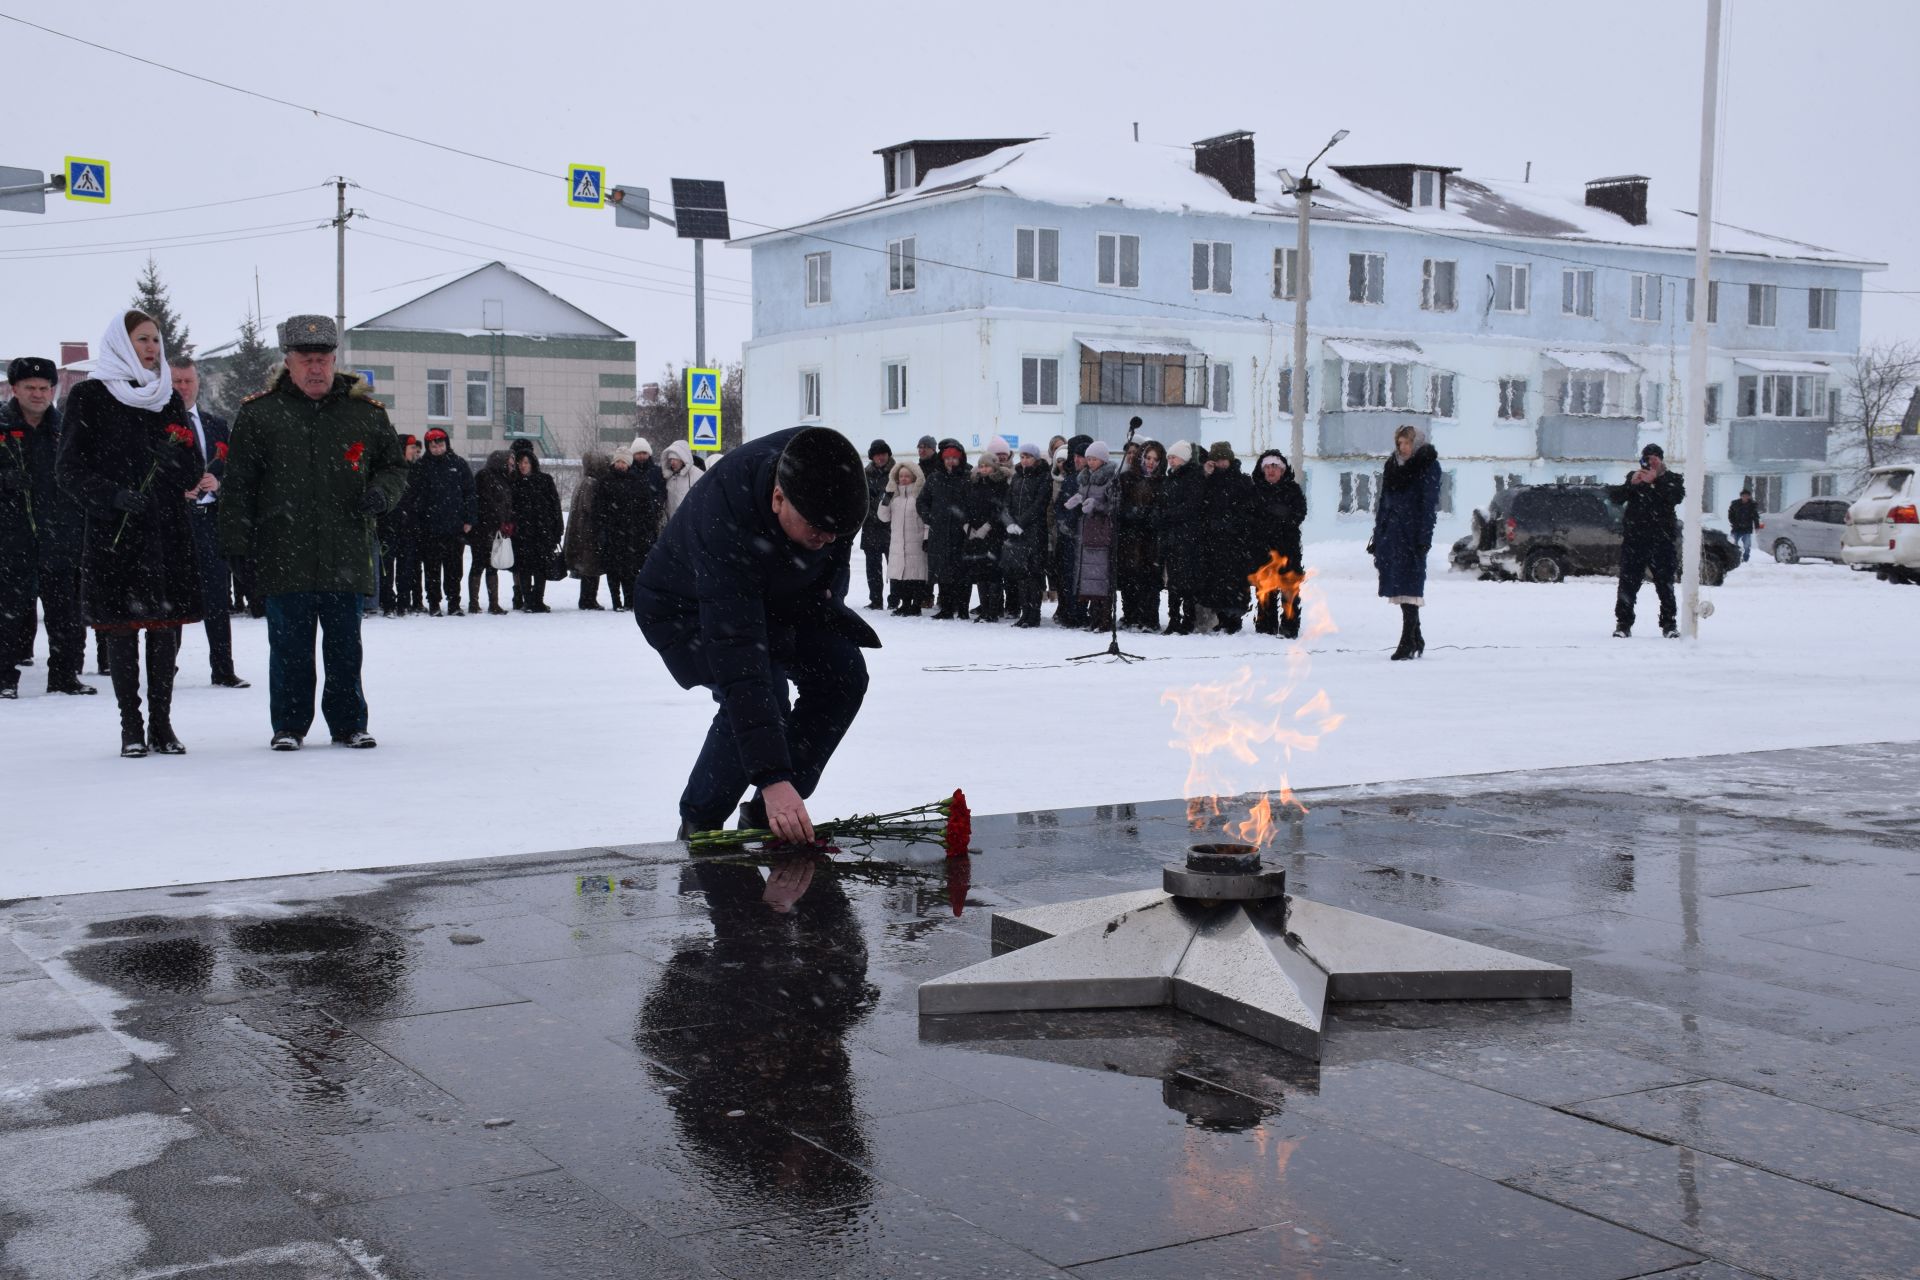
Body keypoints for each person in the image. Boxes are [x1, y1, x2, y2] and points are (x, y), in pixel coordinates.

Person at [634, 425, 877, 843]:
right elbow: (740, 663)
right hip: (682, 606)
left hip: (775, 596)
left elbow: (827, 573)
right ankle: (700, 825)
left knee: (844, 674)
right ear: (779, 498)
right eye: (817, 531)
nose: (827, 542)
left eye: (836, 535)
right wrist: (772, 776)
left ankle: (769, 816)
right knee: (760, 691)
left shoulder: (828, 479)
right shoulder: (726, 513)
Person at [220, 314, 408, 750]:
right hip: (283, 550)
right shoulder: (260, 414)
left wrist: (382, 493)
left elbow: (393, 466)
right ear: (288, 361)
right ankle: (288, 725)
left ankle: (348, 724)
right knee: (289, 649)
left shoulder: (364, 413)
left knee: (345, 649)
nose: (316, 368)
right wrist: (235, 547)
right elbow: (239, 485)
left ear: (335, 359)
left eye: (322, 358)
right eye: (306, 359)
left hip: (345, 549)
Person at [58, 311, 203, 755]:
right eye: (142, 340)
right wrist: (112, 495)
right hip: (115, 534)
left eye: (156, 341)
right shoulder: (89, 396)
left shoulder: (167, 397)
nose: (152, 349)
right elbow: (68, 469)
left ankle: (162, 723)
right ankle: (131, 727)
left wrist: (173, 459)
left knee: (164, 633)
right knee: (122, 631)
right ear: (121, 343)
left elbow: (193, 469)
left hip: (166, 533)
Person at [1, 356, 93, 700]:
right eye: (30, 388)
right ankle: (4, 677)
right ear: (15, 389)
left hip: (61, 536)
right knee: (8, 613)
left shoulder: (66, 427)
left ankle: (64, 675)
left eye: (44, 388)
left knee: (64, 614)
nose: (38, 394)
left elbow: (81, 474)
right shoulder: (3, 426)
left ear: (53, 390)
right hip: (12, 538)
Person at [167, 357, 248, 687]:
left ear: (198, 383)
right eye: (176, 382)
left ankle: (223, 668)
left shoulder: (216, 424)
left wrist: (220, 484)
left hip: (209, 522)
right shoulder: (155, 425)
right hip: (174, 525)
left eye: (188, 381)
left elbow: (236, 471)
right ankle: (164, 667)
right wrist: (177, 490)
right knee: (171, 600)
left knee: (217, 598)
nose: (183, 388)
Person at [1370, 424, 1443, 660]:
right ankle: (1416, 637)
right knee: (1399, 585)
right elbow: (1384, 501)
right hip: (1392, 534)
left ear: (1417, 444)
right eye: (1399, 443)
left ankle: (1407, 641)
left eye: (1407, 443)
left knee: (1410, 586)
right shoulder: (1392, 466)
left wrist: (1424, 538)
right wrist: (1378, 532)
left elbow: (1428, 505)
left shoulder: (1427, 466)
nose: (1402, 447)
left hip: (1411, 534)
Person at [1608, 442, 1686, 639]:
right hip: (1635, 540)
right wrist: (1631, 484)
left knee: (1665, 583)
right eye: (1647, 458)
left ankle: (1669, 624)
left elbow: (1676, 497)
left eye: (1655, 458)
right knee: (1628, 582)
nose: (1651, 462)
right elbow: (1615, 498)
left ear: (1660, 460)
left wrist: (1655, 482)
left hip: (1662, 540)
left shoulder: (1672, 479)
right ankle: (1623, 624)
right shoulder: (1635, 477)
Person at [410, 426, 475, 614]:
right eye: (433, 446)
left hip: (455, 528)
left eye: (440, 445)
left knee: (454, 568)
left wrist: (469, 519)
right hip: (430, 529)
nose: (437, 449)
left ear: (446, 444)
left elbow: (470, 494)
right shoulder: (421, 467)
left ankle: (454, 602)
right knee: (432, 568)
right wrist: (419, 520)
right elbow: (415, 497)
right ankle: (434, 603)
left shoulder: (459, 464)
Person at [1196, 442, 1255, 633]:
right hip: (1212, 542)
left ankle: (1233, 620)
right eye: (1217, 460)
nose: (1221, 464)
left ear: (1229, 459)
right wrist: (1205, 474)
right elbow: (1199, 505)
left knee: (1234, 583)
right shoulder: (1208, 481)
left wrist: (1232, 525)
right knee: (1215, 583)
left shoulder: (1242, 482)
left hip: (1235, 544)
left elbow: (1248, 511)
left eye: (1223, 459)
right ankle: (1221, 618)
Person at [1250, 449, 1308, 639]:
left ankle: (1289, 626)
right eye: (1267, 467)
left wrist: (1280, 514)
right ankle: (1265, 625)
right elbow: (1250, 516)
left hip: (1287, 548)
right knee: (1265, 590)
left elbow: (1299, 514)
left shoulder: (1292, 490)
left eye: (1274, 466)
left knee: (1289, 590)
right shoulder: (1256, 490)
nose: (1270, 471)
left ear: (1282, 470)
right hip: (1263, 548)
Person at [595, 447, 657, 611]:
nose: (621, 465)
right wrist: (603, 528)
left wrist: (646, 529)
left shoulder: (637, 482)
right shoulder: (605, 481)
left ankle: (630, 600)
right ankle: (616, 601)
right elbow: (599, 508)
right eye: (618, 461)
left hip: (632, 534)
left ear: (629, 464)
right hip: (612, 533)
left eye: (624, 462)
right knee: (613, 570)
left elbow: (646, 509)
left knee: (630, 570)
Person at [1069, 439, 1119, 632]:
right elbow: (1085, 496)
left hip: (1101, 532)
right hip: (1086, 531)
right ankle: (1094, 618)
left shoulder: (1110, 478)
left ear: (1103, 460)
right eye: (1088, 459)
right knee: (1088, 578)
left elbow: (1114, 504)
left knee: (1100, 577)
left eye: (1094, 459)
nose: (1090, 462)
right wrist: (1078, 500)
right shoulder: (1085, 477)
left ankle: (1104, 618)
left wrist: (1097, 507)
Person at [918, 439, 971, 619]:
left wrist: (968, 521)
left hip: (961, 532)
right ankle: (947, 608)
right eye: (947, 458)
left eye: (954, 458)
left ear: (960, 459)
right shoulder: (935, 477)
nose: (950, 461)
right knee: (943, 572)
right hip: (939, 532)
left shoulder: (967, 477)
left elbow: (975, 503)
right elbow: (922, 501)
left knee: (962, 572)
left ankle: (963, 609)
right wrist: (929, 517)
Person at [1115, 439, 1165, 632]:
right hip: (1130, 537)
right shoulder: (1127, 478)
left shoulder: (1161, 482)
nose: (1151, 462)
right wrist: (1131, 513)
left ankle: (1149, 618)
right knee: (1129, 579)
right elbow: (1119, 505)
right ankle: (1130, 615)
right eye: (1148, 458)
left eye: (1155, 459)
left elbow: (1162, 508)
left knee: (1150, 581)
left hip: (1151, 540)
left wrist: (1153, 516)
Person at [1003, 440, 1052, 628]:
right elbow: (1007, 503)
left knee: (1034, 573)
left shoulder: (1043, 477)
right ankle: (1024, 613)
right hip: (1017, 533)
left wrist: (1021, 523)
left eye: (1028, 457)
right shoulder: (1016, 477)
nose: (1024, 460)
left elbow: (1039, 505)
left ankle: (1034, 614)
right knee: (1021, 574)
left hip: (1035, 531)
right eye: (1022, 456)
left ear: (1036, 459)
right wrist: (1009, 523)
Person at [1156, 441, 1203, 635]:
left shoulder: (1193, 477)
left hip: (1187, 537)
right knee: (1173, 582)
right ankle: (1174, 618)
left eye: (1173, 457)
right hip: (1171, 537)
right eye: (1168, 458)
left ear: (1183, 458)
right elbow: (1162, 502)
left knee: (1187, 582)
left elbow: (1191, 506)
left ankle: (1188, 619)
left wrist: (1169, 515)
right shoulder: (1169, 478)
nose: (1170, 461)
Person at [378, 435, 423, 616]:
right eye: (411, 447)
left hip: (410, 526)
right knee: (387, 567)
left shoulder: (416, 470)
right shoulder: (389, 470)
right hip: (388, 525)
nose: (414, 451)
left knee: (407, 567)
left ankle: (404, 602)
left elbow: (421, 496)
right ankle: (388, 602)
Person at [963, 450, 1010, 622]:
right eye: (981, 466)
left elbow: (1001, 508)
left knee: (993, 573)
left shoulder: (1001, 485)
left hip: (994, 534)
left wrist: (988, 525)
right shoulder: (975, 484)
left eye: (987, 467)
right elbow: (967, 505)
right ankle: (984, 607)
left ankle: (994, 609)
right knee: (980, 572)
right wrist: (967, 525)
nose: (983, 470)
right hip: (976, 534)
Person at [878, 458, 928, 615]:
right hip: (899, 544)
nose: (903, 479)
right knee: (903, 576)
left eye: (907, 476)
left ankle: (916, 605)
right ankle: (905, 604)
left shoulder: (920, 498)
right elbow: (883, 516)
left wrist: (926, 537)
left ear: (914, 477)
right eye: (901, 476)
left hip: (917, 543)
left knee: (917, 576)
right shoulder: (895, 499)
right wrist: (886, 497)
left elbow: (928, 519)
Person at [468, 449, 513, 614]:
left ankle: (493, 603)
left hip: (495, 530)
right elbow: (486, 503)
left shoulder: (504, 479)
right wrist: (495, 521)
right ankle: (474, 603)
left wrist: (506, 522)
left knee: (492, 565)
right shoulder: (484, 476)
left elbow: (505, 505)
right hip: (482, 529)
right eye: (509, 462)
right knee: (479, 564)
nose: (512, 466)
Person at [564, 450, 608, 609]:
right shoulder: (592, 483)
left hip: (582, 532)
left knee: (588, 568)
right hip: (589, 533)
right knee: (591, 568)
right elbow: (591, 508)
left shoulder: (583, 481)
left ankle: (587, 599)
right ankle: (588, 600)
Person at [858, 440, 894, 610]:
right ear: (872, 457)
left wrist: (882, 511)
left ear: (888, 454)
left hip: (891, 527)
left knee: (894, 566)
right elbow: (861, 499)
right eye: (877, 454)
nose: (880, 457)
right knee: (872, 567)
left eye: (883, 454)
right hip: (871, 526)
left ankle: (895, 600)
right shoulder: (865, 474)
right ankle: (876, 600)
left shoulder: (896, 472)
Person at [661, 438, 702, 522]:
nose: (672, 462)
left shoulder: (698, 475)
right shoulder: (669, 478)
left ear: (683, 459)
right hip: (673, 524)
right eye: (671, 459)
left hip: (691, 523)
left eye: (675, 459)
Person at [1727, 487, 1760, 563]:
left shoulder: (1752, 506)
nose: (1745, 497)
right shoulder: (1735, 504)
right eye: (1743, 496)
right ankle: (1732, 558)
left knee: (1747, 545)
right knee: (1732, 544)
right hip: (1736, 528)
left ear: (1749, 497)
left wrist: (1757, 526)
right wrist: (1733, 522)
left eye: (1747, 496)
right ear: (1741, 496)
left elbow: (1755, 517)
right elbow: (1730, 514)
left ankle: (1745, 559)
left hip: (1747, 529)